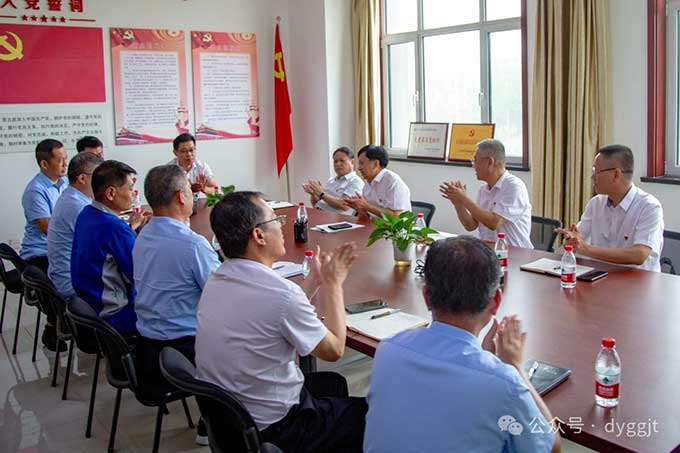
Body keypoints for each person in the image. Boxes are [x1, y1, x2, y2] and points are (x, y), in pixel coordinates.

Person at [195, 192, 368, 452]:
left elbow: (273, 313)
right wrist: (333, 285)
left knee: (332, 384)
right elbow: (334, 350)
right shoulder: (281, 294)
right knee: (369, 414)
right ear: (259, 235)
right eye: (275, 220)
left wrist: (314, 281)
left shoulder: (217, 279)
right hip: (278, 428)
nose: (281, 225)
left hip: (230, 421)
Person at [363, 236, 560, 453]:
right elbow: (552, 448)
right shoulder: (505, 383)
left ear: (426, 297)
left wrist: (485, 359)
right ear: (495, 301)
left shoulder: (388, 351)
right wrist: (515, 367)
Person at [132, 165, 219, 445]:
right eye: (190, 192)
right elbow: (223, 296)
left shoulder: (142, 235)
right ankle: (216, 421)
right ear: (181, 197)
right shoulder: (192, 245)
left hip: (147, 346)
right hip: (184, 349)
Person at [71, 160, 150, 336]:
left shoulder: (86, 214)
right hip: (114, 315)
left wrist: (131, 230)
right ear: (111, 193)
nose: (133, 194)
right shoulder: (114, 228)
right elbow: (140, 275)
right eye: (130, 189)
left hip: (89, 306)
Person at [557, 144, 664, 271]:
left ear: (616, 174)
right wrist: (571, 239)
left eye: (596, 172)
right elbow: (578, 239)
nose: (592, 177)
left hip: (638, 280)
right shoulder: (595, 203)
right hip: (600, 277)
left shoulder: (649, 207)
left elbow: (639, 254)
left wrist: (585, 249)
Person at [440, 139, 533, 248]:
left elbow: (494, 223)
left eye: (475, 160)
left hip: (515, 252)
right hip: (488, 251)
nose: (473, 166)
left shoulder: (514, 186)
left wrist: (464, 198)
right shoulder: (483, 189)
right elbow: (471, 225)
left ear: (490, 162)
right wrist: (459, 204)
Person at [48, 152, 103, 300]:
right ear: (82, 178)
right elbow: (102, 245)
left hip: (66, 275)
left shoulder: (72, 197)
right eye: (98, 178)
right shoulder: (77, 206)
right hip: (72, 283)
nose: (102, 183)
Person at [20, 138, 68, 273]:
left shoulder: (65, 182)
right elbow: (48, 228)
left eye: (66, 158)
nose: (65, 164)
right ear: (44, 164)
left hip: (59, 250)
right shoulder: (35, 191)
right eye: (60, 160)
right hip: (41, 254)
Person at [344, 145, 411, 217]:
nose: (359, 168)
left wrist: (366, 206)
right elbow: (366, 216)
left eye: (362, 163)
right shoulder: (368, 184)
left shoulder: (393, 182)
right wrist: (359, 208)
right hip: (374, 224)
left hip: (395, 225)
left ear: (375, 164)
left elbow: (396, 216)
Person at [302, 146, 364, 215]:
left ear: (352, 162)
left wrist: (321, 193)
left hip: (340, 220)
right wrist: (313, 193)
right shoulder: (331, 181)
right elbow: (316, 204)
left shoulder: (355, 182)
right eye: (335, 161)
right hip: (321, 215)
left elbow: (345, 205)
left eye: (342, 160)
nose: (338, 164)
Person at [168, 133, 218, 209]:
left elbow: (215, 190)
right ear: (175, 152)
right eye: (183, 151)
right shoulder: (169, 170)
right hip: (176, 208)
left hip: (196, 206)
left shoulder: (202, 167)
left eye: (191, 150)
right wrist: (189, 190)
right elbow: (166, 197)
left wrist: (204, 188)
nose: (189, 154)